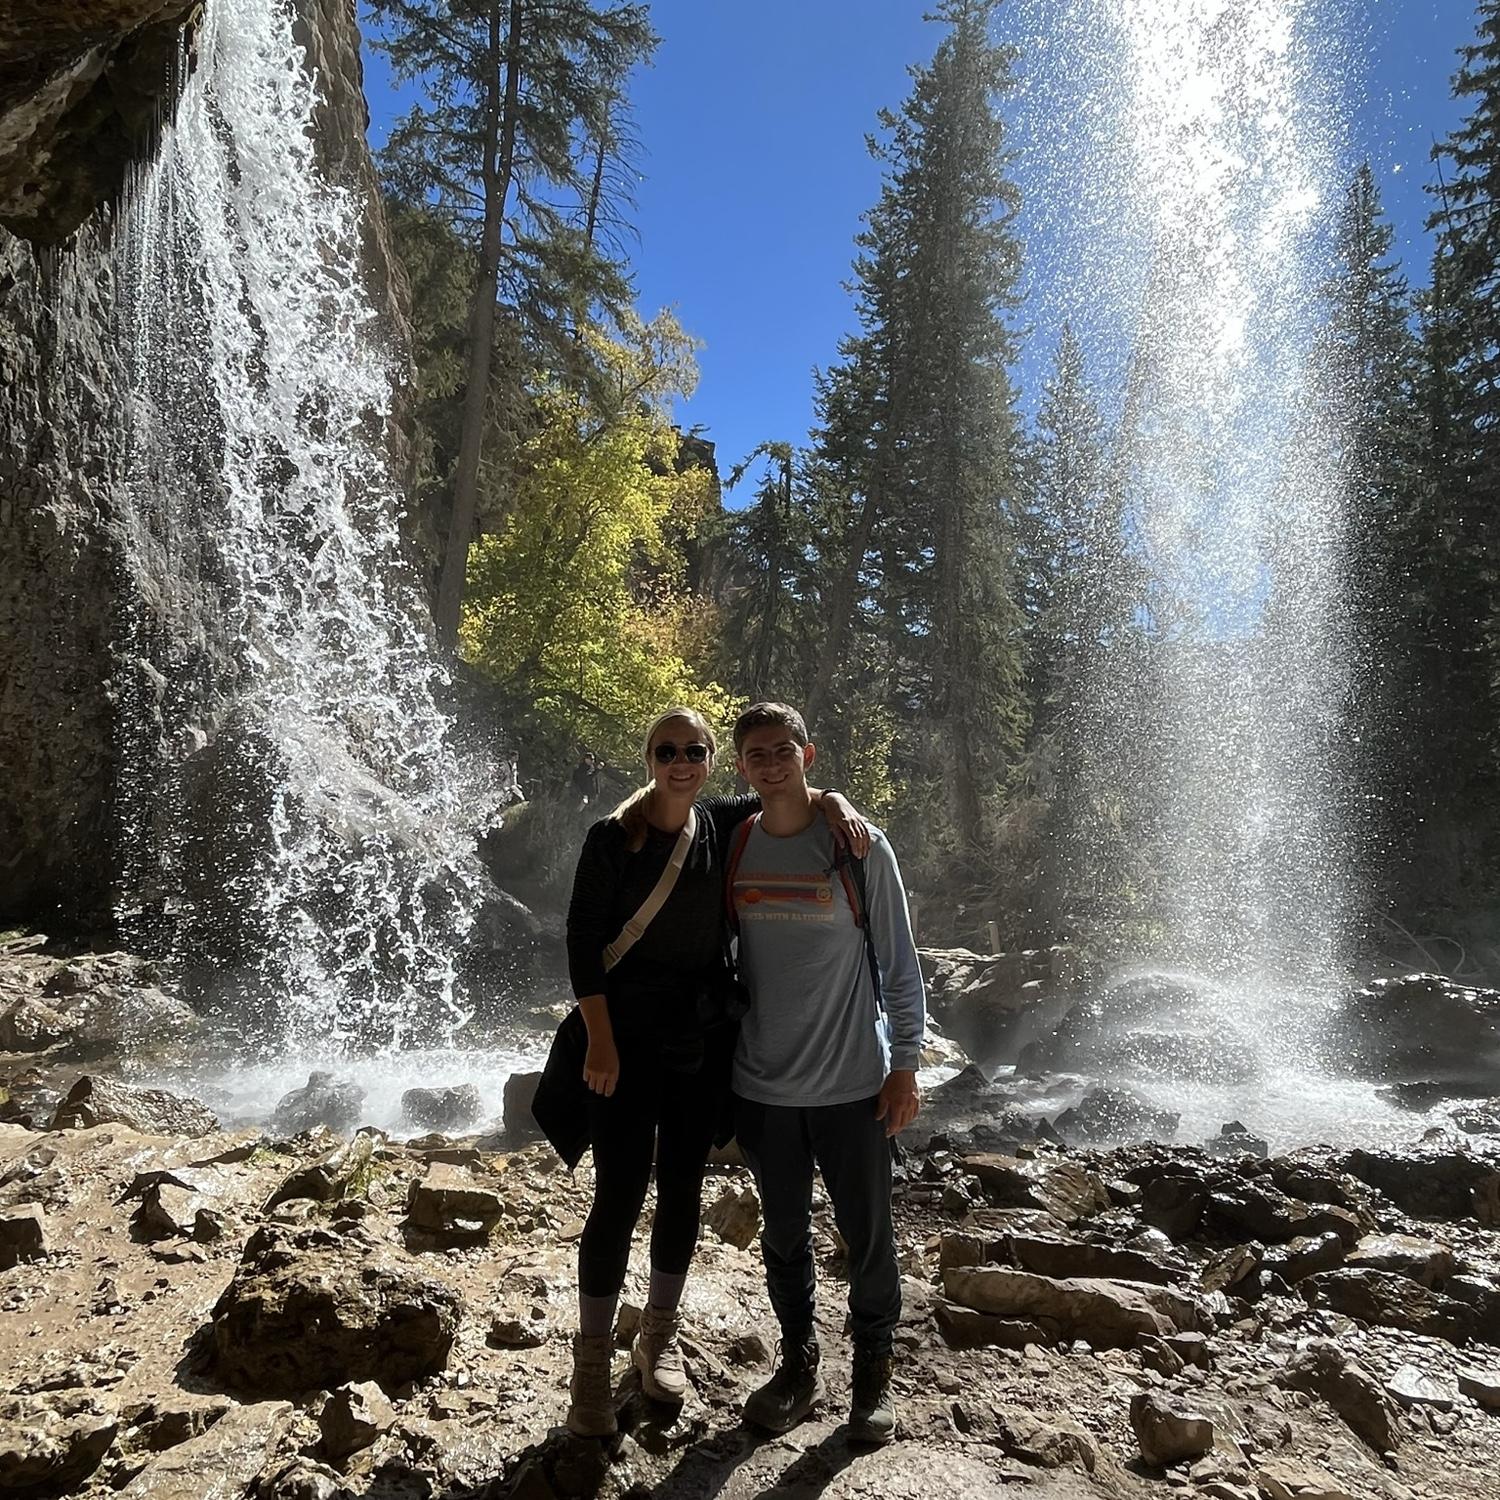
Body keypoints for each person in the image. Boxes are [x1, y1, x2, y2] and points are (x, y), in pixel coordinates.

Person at [558, 706, 869, 1439]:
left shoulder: (721, 824)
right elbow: (580, 942)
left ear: (708, 761)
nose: (682, 761)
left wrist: (839, 800)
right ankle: (591, 1367)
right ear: (648, 757)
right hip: (623, 1044)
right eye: (667, 750)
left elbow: (789, 789)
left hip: (698, 1045)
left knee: (684, 1193)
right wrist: (599, 1042)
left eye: (694, 750)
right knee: (617, 1196)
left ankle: (656, 1344)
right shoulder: (613, 838)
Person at [727, 701, 925, 1446]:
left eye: (784, 750)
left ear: (809, 757)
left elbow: (902, 965)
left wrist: (905, 1065)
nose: (771, 763)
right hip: (762, 1085)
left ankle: (872, 1378)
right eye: (756, 753)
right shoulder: (733, 839)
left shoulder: (859, 846)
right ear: (740, 766)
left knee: (868, 1237)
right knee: (782, 1237)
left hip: (853, 1084)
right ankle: (798, 1365)